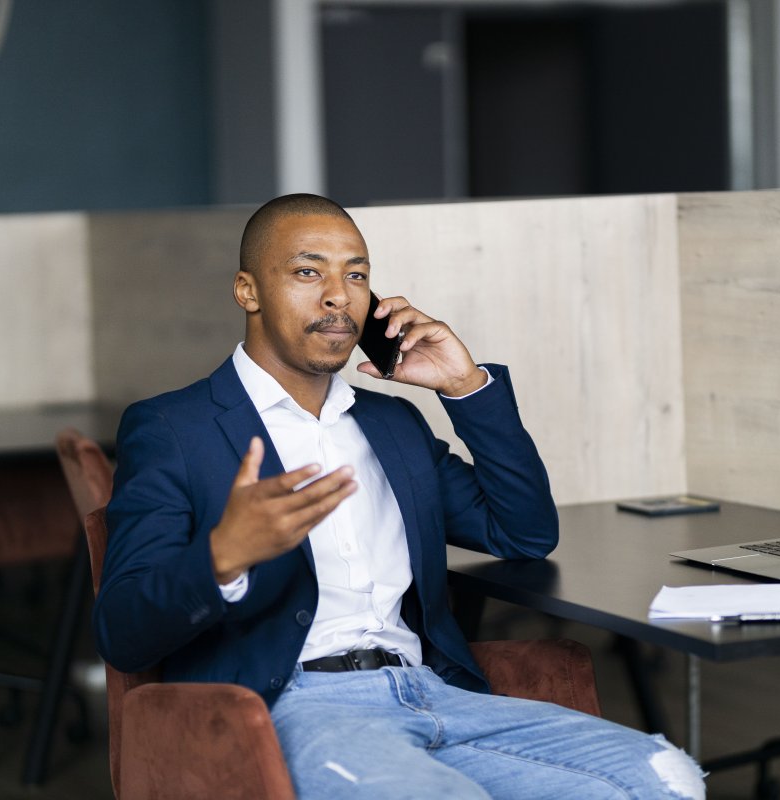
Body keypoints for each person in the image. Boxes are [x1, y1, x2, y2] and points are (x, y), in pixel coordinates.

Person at [93, 193, 705, 799]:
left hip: (433, 693)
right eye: (309, 272)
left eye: (355, 275)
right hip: (295, 706)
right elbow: (123, 631)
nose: (339, 295)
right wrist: (223, 556)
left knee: (665, 779)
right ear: (247, 291)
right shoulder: (175, 429)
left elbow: (522, 532)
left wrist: (465, 388)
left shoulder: (392, 424)